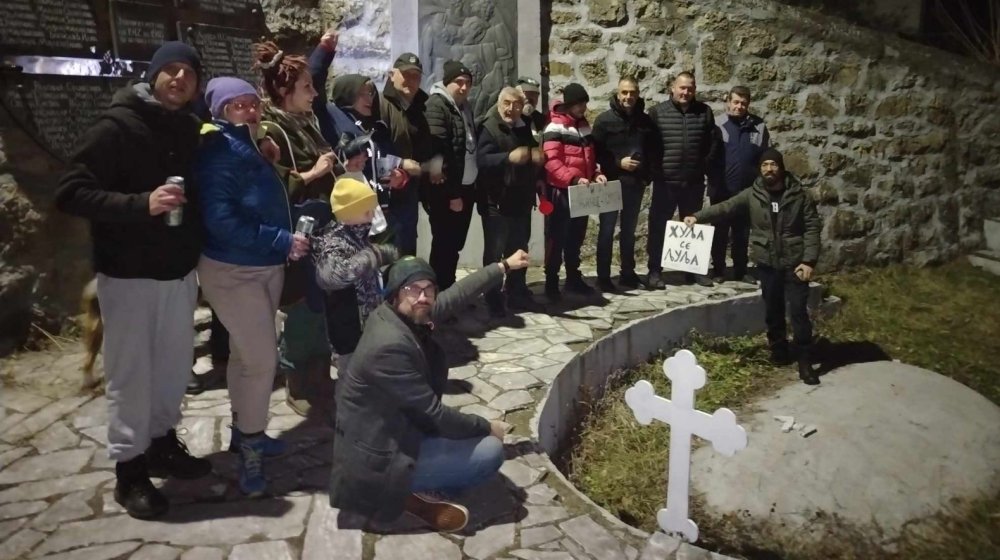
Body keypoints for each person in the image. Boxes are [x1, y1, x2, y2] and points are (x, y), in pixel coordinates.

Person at [54, 41, 211, 519]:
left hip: (177, 272)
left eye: (189, 73)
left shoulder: (188, 128)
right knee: (130, 373)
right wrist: (141, 205)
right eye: (171, 70)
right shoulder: (116, 127)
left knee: (173, 366)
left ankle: (161, 443)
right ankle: (130, 470)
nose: (180, 79)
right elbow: (71, 192)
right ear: (154, 75)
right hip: (128, 272)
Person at [329, 251, 530, 532]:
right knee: (489, 452)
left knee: (465, 435)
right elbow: (434, 414)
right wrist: (488, 426)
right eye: (412, 289)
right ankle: (401, 493)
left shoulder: (398, 315)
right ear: (395, 293)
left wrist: (503, 266)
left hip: (396, 432)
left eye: (428, 289)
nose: (422, 297)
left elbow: (457, 295)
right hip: (377, 461)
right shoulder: (389, 346)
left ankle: (416, 490)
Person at [196, 77, 309, 495]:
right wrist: (280, 240)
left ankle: (243, 431)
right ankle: (251, 450)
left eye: (251, 102)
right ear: (220, 111)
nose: (249, 110)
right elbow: (220, 219)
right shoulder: (218, 150)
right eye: (237, 105)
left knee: (245, 356)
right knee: (262, 360)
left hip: (261, 265)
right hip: (234, 269)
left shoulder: (248, 143)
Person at [685, 148, 821, 385]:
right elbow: (726, 207)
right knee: (773, 310)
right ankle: (778, 350)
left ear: (781, 168)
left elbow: (812, 228)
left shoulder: (800, 195)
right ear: (760, 169)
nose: (769, 169)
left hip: (795, 262)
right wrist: (697, 217)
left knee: (799, 312)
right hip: (767, 262)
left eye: (773, 165)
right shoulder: (753, 194)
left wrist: (808, 261)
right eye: (765, 165)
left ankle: (805, 360)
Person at [254, 38, 336, 418]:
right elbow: (271, 186)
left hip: (322, 231)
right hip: (297, 236)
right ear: (285, 91)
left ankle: (320, 376)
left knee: (321, 305)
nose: (314, 93)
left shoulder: (305, 123)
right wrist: (314, 173)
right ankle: (298, 382)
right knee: (302, 309)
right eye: (306, 87)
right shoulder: (270, 131)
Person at [313, 176, 400, 372]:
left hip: (366, 325)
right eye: (366, 209)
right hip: (348, 330)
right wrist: (373, 255)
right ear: (348, 214)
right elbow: (331, 277)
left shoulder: (358, 236)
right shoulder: (334, 242)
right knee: (352, 376)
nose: (372, 213)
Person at [646, 71, 720, 289]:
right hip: (666, 182)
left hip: (693, 182)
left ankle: (693, 271)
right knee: (658, 227)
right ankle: (654, 271)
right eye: (682, 87)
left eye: (690, 88)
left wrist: (703, 166)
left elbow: (712, 143)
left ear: (694, 90)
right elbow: (650, 146)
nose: (686, 92)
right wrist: (656, 171)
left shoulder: (704, 112)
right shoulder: (657, 113)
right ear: (673, 88)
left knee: (693, 226)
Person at [476, 86, 544, 316]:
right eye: (507, 103)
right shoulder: (488, 127)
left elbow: (530, 151)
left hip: (521, 201)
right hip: (496, 202)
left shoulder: (523, 126)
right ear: (499, 103)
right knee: (494, 254)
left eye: (516, 105)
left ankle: (517, 293)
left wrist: (536, 156)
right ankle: (493, 297)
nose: (511, 109)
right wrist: (508, 157)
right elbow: (482, 160)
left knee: (520, 249)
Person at [541, 83, 607, 301]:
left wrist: (596, 173)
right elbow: (551, 161)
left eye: (584, 103)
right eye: (579, 104)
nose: (583, 108)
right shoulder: (554, 127)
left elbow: (589, 157)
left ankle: (573, 278)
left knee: (576, 237)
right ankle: (551, 282)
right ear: (569, 104)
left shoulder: (584, 126)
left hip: (581, 191)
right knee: (556, 238)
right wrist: (573, 179)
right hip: (561, 192)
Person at [591, 77, 657, 292]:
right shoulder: (603, 121)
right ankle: (603, 277)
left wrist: (646, 177)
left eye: (632, 92)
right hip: (610, 183)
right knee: (607, 231)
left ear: (638, 94)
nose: (628, 97)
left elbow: (654, 152)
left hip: (635, 184)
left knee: (629, 231)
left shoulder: (645, 122)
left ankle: (627, 274)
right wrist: (619, 162)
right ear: (618, 94)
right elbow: (595, 153)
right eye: (624, 92)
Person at [425, 60, 478, 290]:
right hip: (447, 191)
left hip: (465, 186)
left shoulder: (464, 106)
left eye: (468, 83)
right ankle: (439, 293)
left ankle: (448, 288)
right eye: (459, 82)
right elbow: (438, 151)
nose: (464, 87)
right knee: (444, 244)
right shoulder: (437, 105)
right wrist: (452, 194)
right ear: (447, 82)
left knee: (454, 244)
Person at [707, 86, 769, 284]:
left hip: (747, 191)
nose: (739, 107)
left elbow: (764, 157)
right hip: (721, 190)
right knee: (719, 232)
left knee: (742, 233)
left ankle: (741, 270)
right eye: (736, 102)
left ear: (748, 104)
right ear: (728, 102)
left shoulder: (759, 126)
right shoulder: (717, 124)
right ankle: (718, 269)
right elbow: (709, 156)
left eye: (743, 103)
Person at [380, 52, 435, 256]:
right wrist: (401, 163)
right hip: (388, 194)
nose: (411, 80)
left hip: (410, 193)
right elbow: (374, 150)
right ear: (392, 75)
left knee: (408, 248)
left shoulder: (419, 108)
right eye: (406, 74)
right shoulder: (380, 105)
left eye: (416, 76)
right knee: (390, 251)